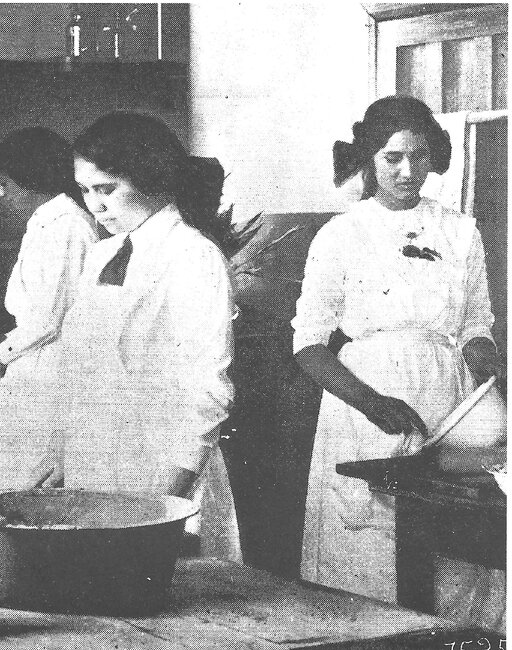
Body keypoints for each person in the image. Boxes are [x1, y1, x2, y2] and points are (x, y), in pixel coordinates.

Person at [293, 96, 503, 605]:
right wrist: (372, 403)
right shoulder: (341, 234)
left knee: (452, 546)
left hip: (445, 400)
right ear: (369, 158)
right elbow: (308, 345)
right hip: (365, 401)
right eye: (392, 158)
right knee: (370, 544)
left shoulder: (459, 230)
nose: (409, 171)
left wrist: (488, 371)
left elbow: (476, 325)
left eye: (421, 157)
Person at [37, 112, 241, 561]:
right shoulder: (101, 255)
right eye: (86, 190)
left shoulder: (193, 256)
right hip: (97, 460)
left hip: (163, 468)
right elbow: (79, 369)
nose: (95, 206)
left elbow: (208, 389)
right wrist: (63, 457)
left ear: (150, 177)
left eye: (107, 189)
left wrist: (168, 500)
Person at [0, 127, 99, 489]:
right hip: (31, 368)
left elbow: (51, 318)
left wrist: (2, 353)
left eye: (4, 184)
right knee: (10, 482)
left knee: (30, 485)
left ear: (28, 179)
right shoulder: (45, 225)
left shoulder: (67, 227)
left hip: (50, 375)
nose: (0, 195)